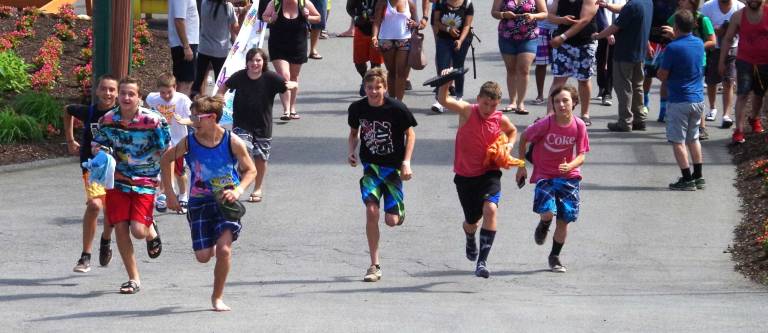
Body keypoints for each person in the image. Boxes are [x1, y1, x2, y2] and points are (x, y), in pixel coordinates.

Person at [161, 95, 257, 312]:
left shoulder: (232, 141)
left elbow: (251, 169)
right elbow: (166, 160)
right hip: (199, 202)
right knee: (203, 257)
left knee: (223, 251)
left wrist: (239, 189)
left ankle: (217, 297)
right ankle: (212, 240)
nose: (192, 121)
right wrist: (170, 193)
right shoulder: (189, 142)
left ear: (212, 118)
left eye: (196, 117)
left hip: (226, 202)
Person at [92, 77, 171, 294]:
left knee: (138, 231)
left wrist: (167, 186)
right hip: (118, 179)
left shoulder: (154, 121)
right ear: (118, 95)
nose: (126, 98)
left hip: (146, 179)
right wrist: (99, 153)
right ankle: (133, 278)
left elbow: (168, 152)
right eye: (123, 93)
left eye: (131, 94)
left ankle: (150, 228)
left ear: (140, 98)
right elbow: (98, 143)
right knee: (120, 227)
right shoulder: (107, 120)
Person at [437, 70, 519, 278]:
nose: (488, 109)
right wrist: (447, 80)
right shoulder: (467, 111)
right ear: (479, 99)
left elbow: (512, 131)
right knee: (472, 221)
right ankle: (469, 234)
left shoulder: (500, 118)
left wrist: (508, 146)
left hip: (489, 172)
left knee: (490, 209)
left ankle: (482, 261)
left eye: (493, 106)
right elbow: (443, 99)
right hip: (465, 176)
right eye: (485, 104)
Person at [347, 67, 417, 282]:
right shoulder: (357, 108)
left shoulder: (397, 108)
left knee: (392, 221)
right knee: (371, 211)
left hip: (393, 169)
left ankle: (399, 210)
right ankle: (374, 265)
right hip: (371, 168)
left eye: (378, 87)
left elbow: (410, 133)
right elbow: (353, 133)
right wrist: (351, 151)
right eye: (370, 88)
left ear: (385, 88)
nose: (374, 92)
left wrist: (406, 162)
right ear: (364, 89)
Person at [516, 85, 590, 273]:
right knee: (548, 212)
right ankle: (544, 222)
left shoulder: (579, 125)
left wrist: (570, 166)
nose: (561, 104)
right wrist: (521, 166)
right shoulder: (546, 124)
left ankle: (555, 257)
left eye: (565, 100)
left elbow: (582, 155)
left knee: (564, 220)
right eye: (557, 101)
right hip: (545, 175)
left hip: (569, 177)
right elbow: (524, 137)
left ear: (574, 103)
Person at [216, 48, 298, 203]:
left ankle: (257, 188)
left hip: (263, 125)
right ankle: (240, 184)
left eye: (258, 60)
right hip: (241, 124)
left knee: (261, 158)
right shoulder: (239, 76)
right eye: (252, 60)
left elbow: (287, 86)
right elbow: (223, 87)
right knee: (242, 153)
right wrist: (219, 100)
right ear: (247, 62)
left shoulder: (271, 78)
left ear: (264, 62)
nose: (255, 63)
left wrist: (293, 85)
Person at [64, 75, 118, 273]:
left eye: (112, 89)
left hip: (116, 169)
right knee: (95, 205)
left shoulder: (122, 115)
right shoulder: (90, 112)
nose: (108, 93)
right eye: (104, 89)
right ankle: (85, 256)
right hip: (92, 167)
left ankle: (105, 240)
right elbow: (68, 110)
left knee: (111, 211)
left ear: (117, 93)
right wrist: (70, 140)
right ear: (97, 91)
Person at [657, 10, 707, 190]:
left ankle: (687, 179)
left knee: (677, 140)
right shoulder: (699, 43)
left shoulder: (672, 48)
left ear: (675, 27)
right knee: (693, 138)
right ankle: (698, 175)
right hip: (697, 98)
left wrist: (658, 71)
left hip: (679, 99)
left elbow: (663, 74)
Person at [593, 0, 653, 132]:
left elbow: (615, 27)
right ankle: (639, 119)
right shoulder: (647, 2)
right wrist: (608, 6)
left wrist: (598, 36)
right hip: (639, 52)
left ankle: (625, 121)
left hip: (625, 53)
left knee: (623, 87)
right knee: (637, 86)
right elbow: (624, 10)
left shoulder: (632, 5)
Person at [262, 0, 322, 120]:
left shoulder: (304, 3)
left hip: (298, 45)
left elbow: (318, 18)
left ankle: (292, 108)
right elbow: (264, 16)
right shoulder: (275, 3)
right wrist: (271, 19)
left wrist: (308, 16)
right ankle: (286, 110)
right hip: (278, 45)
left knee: (294, 77)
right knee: (284, 75)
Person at [665, 0, 716, 139]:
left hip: (698, 61)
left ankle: (702, 128)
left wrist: (696, 47)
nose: (679, 2)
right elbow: (668, 32)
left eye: (683, 0)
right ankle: (676, 120)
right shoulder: (675, 17)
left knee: (696, 91)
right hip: (679, 58)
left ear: (692, 2)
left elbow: (713, 40)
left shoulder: (702, 19)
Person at [719, 0, 767, 143]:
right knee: (743, 93)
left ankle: (754, 118)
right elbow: (728, 39)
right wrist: (722, 61)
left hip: (765, 62)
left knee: (760, 93)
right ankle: (739, 130)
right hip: (744, 60)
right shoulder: (738, 16)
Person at [145, 73, 193, 214]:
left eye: (169, 92)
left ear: (175, 87)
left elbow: (193, 119)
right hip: (160, 142)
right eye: (162, 92)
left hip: (178, 142)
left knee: (179, 172)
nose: (166, 96)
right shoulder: (152, 98)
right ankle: (162, 195)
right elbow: (146, 108)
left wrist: (184, 121)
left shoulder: (182, 100)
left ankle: (183, 195)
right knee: (158, 171)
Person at [547, 0, 598, 125]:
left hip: (585, 42)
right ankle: (550, 115)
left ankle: (585, 114)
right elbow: (550, 16)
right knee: (558, 79)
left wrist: (563, 37)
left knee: (584, 80)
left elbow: (584, 20)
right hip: (563, 43)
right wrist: (562, 20)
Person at [493, 0, 548, 115]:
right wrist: (503, 14)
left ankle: (520, 103)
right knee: (511, 69)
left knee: (523, 69)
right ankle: (512, 102)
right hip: (507, 36)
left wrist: (533, 15)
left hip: (529, 36)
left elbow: (544, 13)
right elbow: (494, 12)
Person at [701, 0, 743, 129]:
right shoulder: (708, 7)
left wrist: (732, 29)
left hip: (732, 48)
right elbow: (701, 26)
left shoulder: (739, 7)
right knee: (711, 81)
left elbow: (745, 28)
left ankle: (726, 114)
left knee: (728, 81)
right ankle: (713, 108)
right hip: (714, 49)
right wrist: (715, 31)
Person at [430, 0, 475, 113]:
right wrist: (448, 29)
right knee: (443, 68)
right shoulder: (440, 2)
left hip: (463, 39)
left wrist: (460, 41)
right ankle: (440, 100)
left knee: (458, 67)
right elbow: (435, 21)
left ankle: (459, 97)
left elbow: (467, 25)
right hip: (444, 39)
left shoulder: (467, 3)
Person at [371, 0, 420, 101]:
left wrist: (414, 24)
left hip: (404, 39)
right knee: (392, 71)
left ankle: (399, 102)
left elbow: (417, 23)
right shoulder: (383, 2)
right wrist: (374, 37)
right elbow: (377, 21)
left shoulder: (409, 3)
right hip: (386, 40)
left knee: (401, 72)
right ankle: (392, 100)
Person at [191, 0, 239, 97]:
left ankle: (193, 102)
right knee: (220, 82)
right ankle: (218, 103)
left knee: (198, 79)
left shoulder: (204, 3)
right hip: (220, 51)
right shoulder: (228, 7)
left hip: (204, 48)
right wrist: (240, 15)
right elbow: (236, 28)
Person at [642, 0, 677, 123]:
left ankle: (663, 109)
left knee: (665, 78)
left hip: (669, 43)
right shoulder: (651, 2)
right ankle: (645, 104)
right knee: (647, 75)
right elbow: (644, 22)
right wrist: (646, 44)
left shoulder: (677, 3)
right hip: (652, 42)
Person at [347, 0, 384, 96]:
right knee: (358, 62)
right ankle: (366, 79)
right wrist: (356, 17)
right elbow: (349, 8)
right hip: (361, 29)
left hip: (378, 31)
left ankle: (372, 86)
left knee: (375, 63)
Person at [592, 0, 625, 107]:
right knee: (601, 59)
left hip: (620, 30)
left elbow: (626, 11)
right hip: (602, 29)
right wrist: (607, 32)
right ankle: (601, 86)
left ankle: (608, 92)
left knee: (612, 62)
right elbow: (598, 13)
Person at [168, 0, 201, 96]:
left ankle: (179, 109)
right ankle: (181, 110)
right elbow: (179, 20)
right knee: (185, 82)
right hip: (184, 44)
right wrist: (186, 47)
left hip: (187, 43)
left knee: (185, 81)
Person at [532, 0, 559, 106]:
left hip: (558, 30)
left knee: (559, 65)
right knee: (541, 64)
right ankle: (540, 95)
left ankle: (557, 95)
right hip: (541, 28)